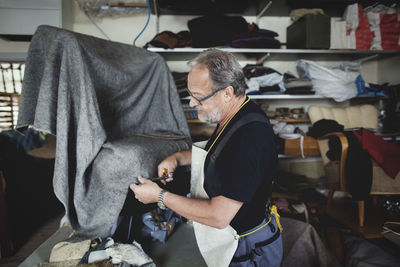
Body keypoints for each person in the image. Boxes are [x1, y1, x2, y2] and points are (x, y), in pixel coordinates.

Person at [130, 49, 282, 266]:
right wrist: (177, 158)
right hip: (236, 239)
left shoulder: (249, 137)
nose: (191, 104)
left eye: (198, 97)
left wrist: (159, 196)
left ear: (227, 93)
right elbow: (219, 151)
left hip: (248, 249)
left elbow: (219, 216)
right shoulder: (235, 115)